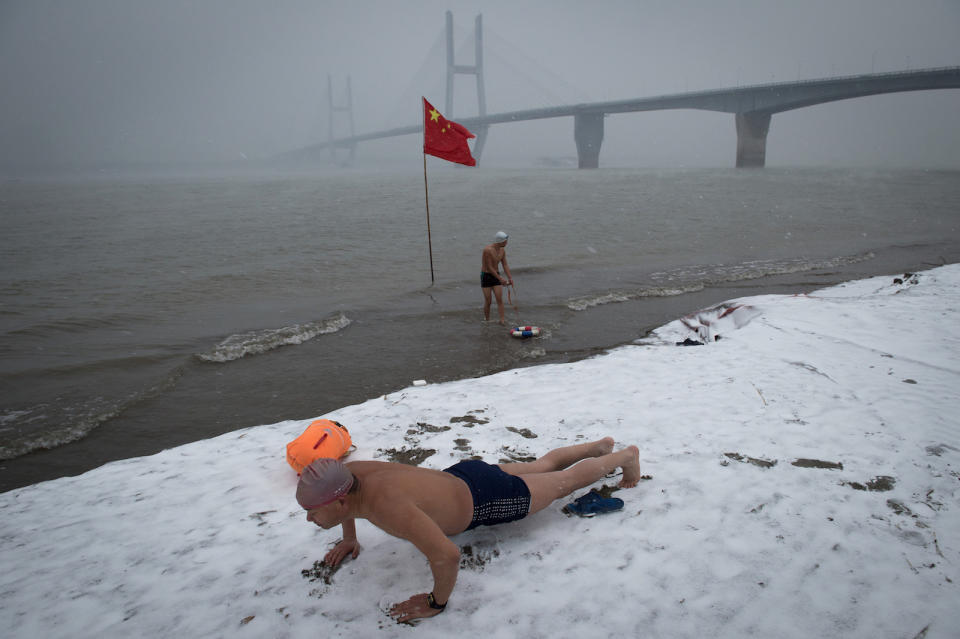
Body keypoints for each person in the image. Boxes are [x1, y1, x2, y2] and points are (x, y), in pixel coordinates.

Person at [296, 437, 642, 623]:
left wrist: (436, 602)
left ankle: (623, 457)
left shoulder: (388, 507)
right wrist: (350, 537)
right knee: (542, 466)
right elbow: (347, 497)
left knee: (564, 482)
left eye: (312, 512)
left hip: (485, 498)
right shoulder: (353, 474)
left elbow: (447, 555)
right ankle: (597, 447)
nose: (309, 519)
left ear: (340, 502)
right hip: (463, 474)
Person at [481, 230, 514, 324]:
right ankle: (487, 320)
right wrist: (501, 279)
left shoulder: (502, 250)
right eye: (505, 241)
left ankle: (502, 320)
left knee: (499, 299)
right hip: (486, 276)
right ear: (500, 241)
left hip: (496, 276)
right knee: (488, 301)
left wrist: (510, 278)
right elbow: (489, 267)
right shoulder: (487, 250)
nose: (507, 242)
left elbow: (505, 265)